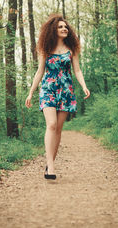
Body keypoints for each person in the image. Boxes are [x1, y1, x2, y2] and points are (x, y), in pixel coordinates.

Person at [25, 14, 90, 180]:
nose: (64, 29)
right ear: (53, 30)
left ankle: (49, 163)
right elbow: (39, 71)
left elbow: (77, 70)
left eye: (65, 27)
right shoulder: (45, 49)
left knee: (59, 129)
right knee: (52, 125)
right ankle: (51, 167)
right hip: (48, 89)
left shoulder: (71, 49)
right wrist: (31, 91)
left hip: (66, 91)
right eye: (60, 27)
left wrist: (83, 86)